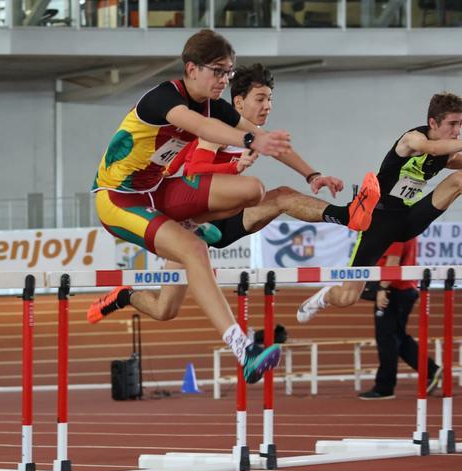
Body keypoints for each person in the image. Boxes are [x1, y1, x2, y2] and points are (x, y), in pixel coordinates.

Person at [89, 29, 337, 384]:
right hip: (117, 198)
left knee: (252, 191)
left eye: (229, 73)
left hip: (158, 191)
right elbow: (202, 126)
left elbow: (263, 138)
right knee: (193, 250)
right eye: (218, 71)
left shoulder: (212, 104)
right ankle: (243, 349)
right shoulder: (162, 99)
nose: (224, 80)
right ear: (192, 69)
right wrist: (251, 139)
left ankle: (153, 266)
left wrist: (312, 174)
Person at [88, 63, 379, 331]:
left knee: (281, 197)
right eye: (260, 99)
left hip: (219, 220)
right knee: (165, 309)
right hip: (187, 216)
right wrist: (232, 166)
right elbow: (194, 172)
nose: (268, 106)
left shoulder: (250, 133)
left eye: (270, 99)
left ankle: (347, 215)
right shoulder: (216, 130)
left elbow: (279, 150)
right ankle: (125, 295)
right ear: (238, 102)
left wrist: (314, 175)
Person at [297, 92, 462, 323]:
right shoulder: (413, 139)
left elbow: (447, 154)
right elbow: (431, 148)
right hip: (377, 221)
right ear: (433, 123)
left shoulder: (447, 154)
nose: (457, 131)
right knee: (347, 297)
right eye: (452, 124)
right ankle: (325, 296)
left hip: (408, 220)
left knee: (459, 179)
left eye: (461, 124)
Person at [359, 237, 441, 400]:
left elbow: (393, 261)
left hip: (394, 290)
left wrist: (383, 288)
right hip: (403, 288)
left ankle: (384, 388)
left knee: (386, 339)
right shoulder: (408, 229)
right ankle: (431, 370)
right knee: (398, 337)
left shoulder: (396, 232)